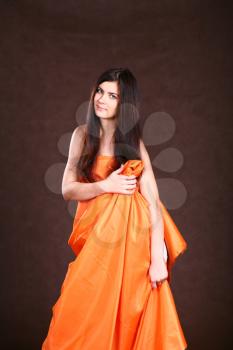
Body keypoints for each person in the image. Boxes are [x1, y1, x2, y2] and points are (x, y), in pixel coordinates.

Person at [42, 67, 188, 349]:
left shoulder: (134, 143)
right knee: (82, 310)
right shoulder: (82, 136)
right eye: (100, 91)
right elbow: (67, 189)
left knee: (127, 316)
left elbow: (154, 203)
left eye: (112, 95)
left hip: (132, 243)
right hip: (97, 242)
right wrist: (104, 186)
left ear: (125, 104)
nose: (102, 99)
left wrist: (158, 257)